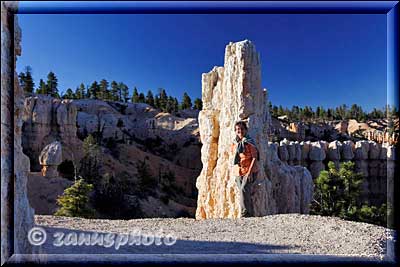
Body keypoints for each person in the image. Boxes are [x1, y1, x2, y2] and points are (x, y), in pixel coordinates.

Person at [231, 121, 259, 217]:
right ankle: (251, 214)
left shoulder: (249, 142)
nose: (240, 131)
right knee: (244, 194)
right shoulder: (235, 143)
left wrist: (249, 173)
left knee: (243, 190)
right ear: (235, 131)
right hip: (239, 172)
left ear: (246, 130)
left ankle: (245, 214)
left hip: (250, 171)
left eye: (242, 129)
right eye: (238, 129)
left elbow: (255, 157)